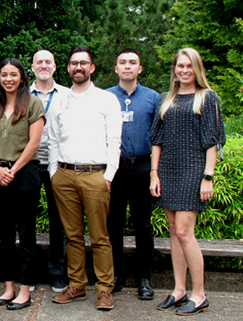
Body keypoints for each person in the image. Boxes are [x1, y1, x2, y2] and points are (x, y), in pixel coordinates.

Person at [150, 48, 225, 316]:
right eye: (180, 66)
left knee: (184, 231)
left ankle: (199, 293)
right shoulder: (165, 98)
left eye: (189, 66)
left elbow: (212, 142)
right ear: (175, 69)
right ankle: (179, 290)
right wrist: (154, 173)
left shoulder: (207, 97)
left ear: (197, 69)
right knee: (173, 230)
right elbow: (156, 140)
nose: (184, 71)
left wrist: (208, 177)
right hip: (167, 169)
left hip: (193, 169)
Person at [48, 46, 122, 311]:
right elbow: (53, 140)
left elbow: (114, 142)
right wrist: (54, 173)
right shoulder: (59, 101)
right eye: (73, 63)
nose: (78, 67)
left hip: (95, 176)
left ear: (92, 68)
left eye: (83, 63)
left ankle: (104, 289)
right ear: (67, 68)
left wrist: (109, 176)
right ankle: (77, 285)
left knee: (100, 236)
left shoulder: (106, 99)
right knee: (72, 235)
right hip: (64, 175)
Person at [0, 58, 44, 311]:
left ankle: (25, 289)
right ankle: (8, 288)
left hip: (25, 173)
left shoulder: (32, 103)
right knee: (3, 234)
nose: (8, 79)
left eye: (14, 74)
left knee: (26, 233)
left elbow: (34, 143)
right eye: (4, 75)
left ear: (21, 77)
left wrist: (13, 170)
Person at [106, 48, 160, 299]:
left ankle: (144, 278)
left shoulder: (153, 98)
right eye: (122, 62)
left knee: (142, 225)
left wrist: (154, 172)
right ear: (115, 68)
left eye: (133, 62)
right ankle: (116, 275)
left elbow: (160, 137)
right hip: (113, 169)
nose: (127, 66)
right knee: (113, 224)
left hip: (141, 167)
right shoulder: (104, 97)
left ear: (140, 68)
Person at [29, 50, 70, 293]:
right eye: (39, 62)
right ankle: (30, 272)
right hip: (30, 163)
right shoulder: (23, 94)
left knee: (59, 221)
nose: (43, 65)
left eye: (48, 62)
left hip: (59, 163)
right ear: (32, 67)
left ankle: (57, 272)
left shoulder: (67, 94)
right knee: (27, 221)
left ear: (55, 67)